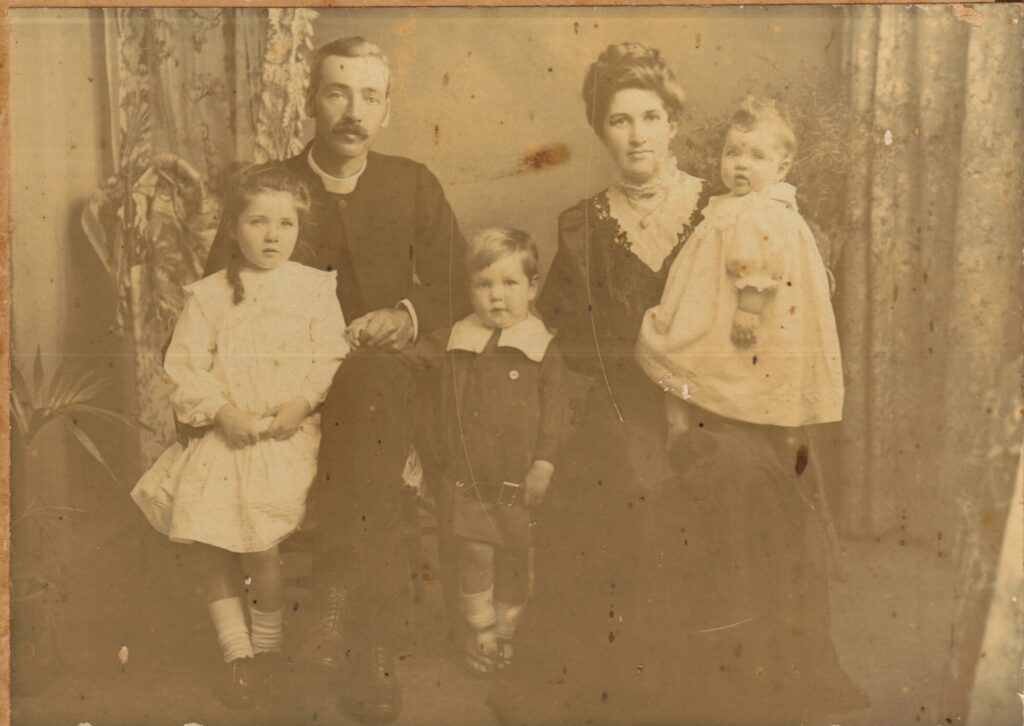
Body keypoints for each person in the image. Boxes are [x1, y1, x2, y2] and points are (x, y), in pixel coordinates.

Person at [490, 45, 866, 725]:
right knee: (624, 476)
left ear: (673, 123)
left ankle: (725, 684)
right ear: (600, 130)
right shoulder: (581, 225)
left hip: (727, 398)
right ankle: (636, 686)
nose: (636, 135)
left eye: (651, 117)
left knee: (733, 473)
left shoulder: (725, 206)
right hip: (621, 398)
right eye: (619, 120)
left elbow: (779, 311)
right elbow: (563, 337)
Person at [202, 37, 467, 724]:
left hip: (382, 391)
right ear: (310, 100)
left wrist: (407, 315)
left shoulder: (414, 183)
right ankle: (360, 639)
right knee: (367, 431)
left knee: (373, 389)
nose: (354, 111)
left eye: (370, 96)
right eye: (338, 92)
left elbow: (456, 287)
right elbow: (212, 292)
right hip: (279, 398)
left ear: (385, 109)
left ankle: (337, 625)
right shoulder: (270, 189)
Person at [131, 163, 349, 709]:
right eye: (257, 221)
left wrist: (301, 403)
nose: (272, 235)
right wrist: (220, 411)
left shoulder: (314, 288)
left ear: (300, 229)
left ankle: (269, 647)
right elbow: (183, 368)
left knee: (262, 546)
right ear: (234, 228)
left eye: (285, 223)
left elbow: (331, 355)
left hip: (284, 437)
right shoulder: (208, 296)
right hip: (225, 437)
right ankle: (238, 654)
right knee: (209, 539)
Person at [636, 96, 843, 439]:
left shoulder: (761, 209)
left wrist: (748, 308)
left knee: (693, 351)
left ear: (782, 167)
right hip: (716, 298)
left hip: (740, 306)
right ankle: (688, 419)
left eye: (757, 156)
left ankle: (691, 421)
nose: (741, 165)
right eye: (733, 153)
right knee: (698, 354)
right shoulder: (739, 205)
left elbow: (760, 264)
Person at [424, 228, 569, 676]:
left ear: (533, 286)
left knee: (515, 555)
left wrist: (544, 463)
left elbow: (557, 414)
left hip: (518, 477)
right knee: (475, 553)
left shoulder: (541, 346)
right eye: (483, 284)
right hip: (467, 478)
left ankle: (508, 630)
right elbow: (421, 381)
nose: (496, 296)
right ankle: (480, 628)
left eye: (509, 284)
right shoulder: (454, 339)